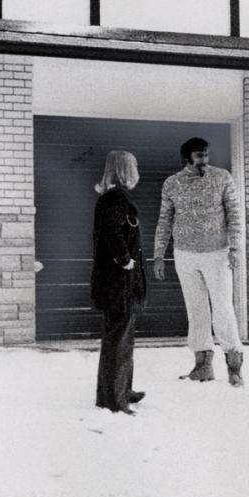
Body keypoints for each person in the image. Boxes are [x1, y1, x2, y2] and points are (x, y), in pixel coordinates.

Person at [152, 137, 245, 386]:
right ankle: (202, 366)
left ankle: (234, 367)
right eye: (199, 156)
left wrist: (236, 248)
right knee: (196, 310)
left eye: (206, 155)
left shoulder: (223, 177)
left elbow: (235, 215)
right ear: (187, 158)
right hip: (184, 254)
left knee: (223, 308)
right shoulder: (172, 184)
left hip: (217, 254)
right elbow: (164, 221)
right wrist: (159, 255)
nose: (204, 160)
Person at [91, 149, 148, 414]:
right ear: (125, 170)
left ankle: (119, 390)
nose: (137, 172)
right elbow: (113, 233)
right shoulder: (117, 199)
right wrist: (124, 259)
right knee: (119, 339)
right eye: (133, 167)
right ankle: (116, 398)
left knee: (120, 336)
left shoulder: (110, 197)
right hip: (119, 281)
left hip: (115, 281)